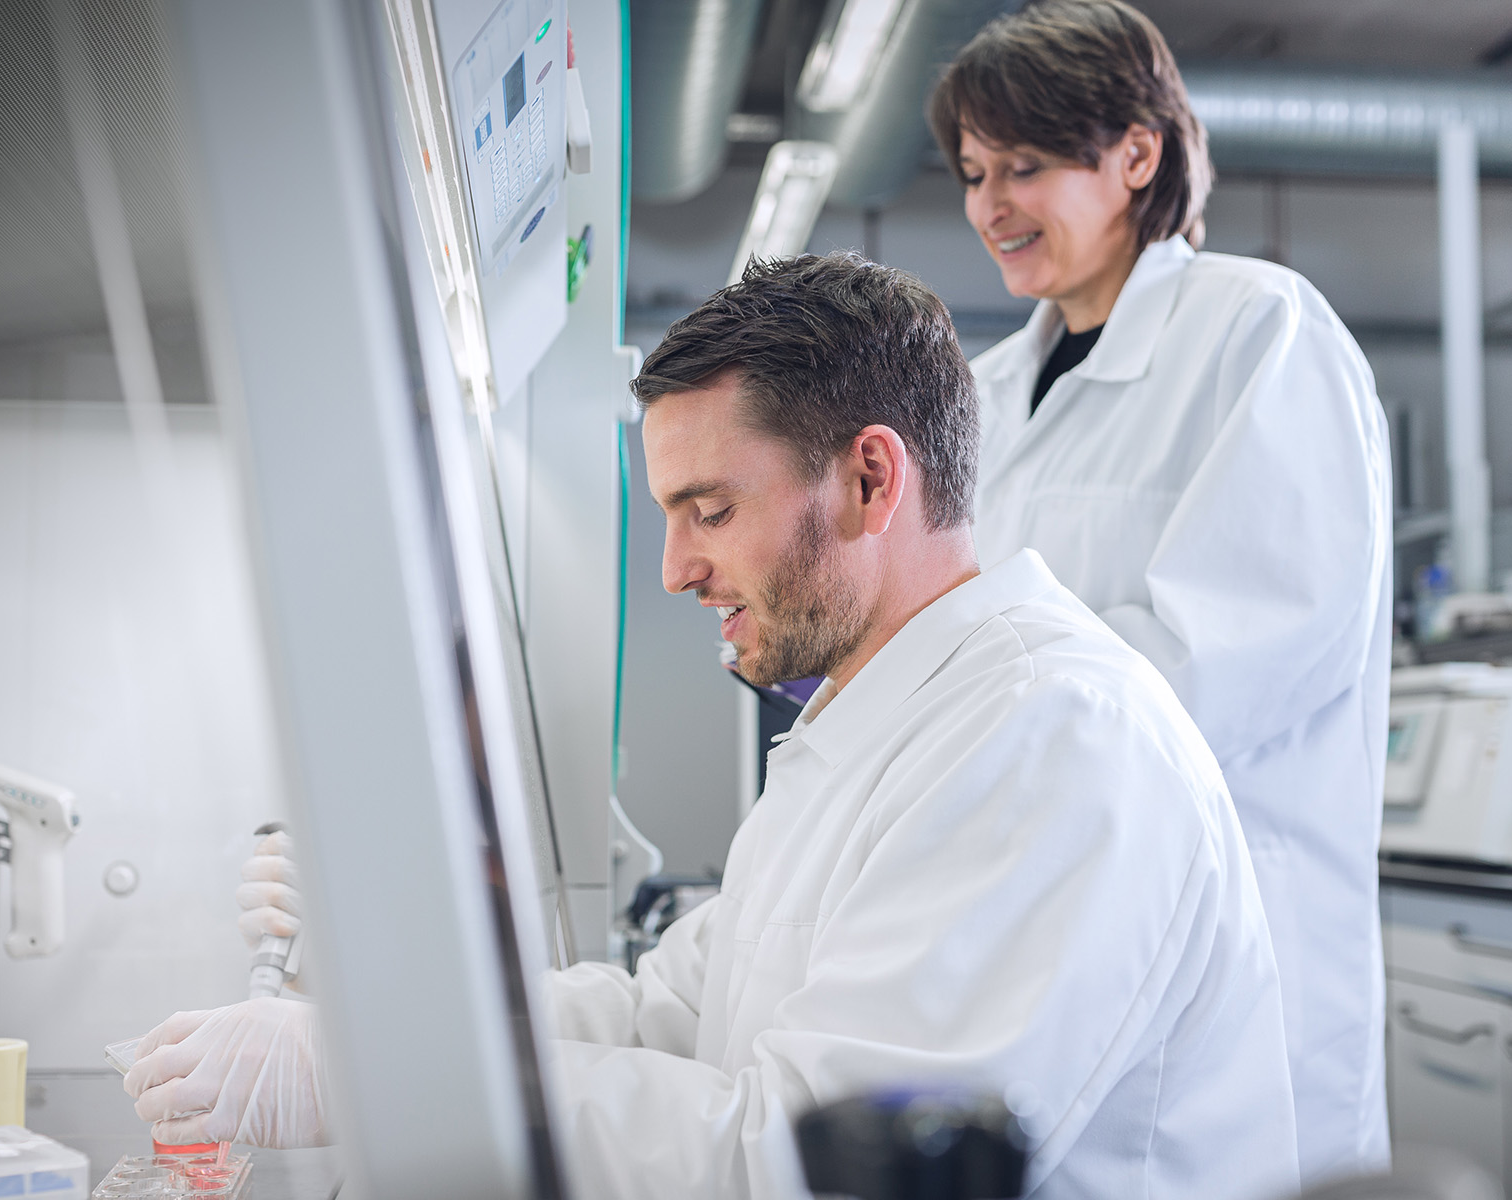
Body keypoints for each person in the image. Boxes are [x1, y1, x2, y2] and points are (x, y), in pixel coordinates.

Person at [126, 254, 1299, 1198]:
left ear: (870, 482)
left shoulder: (1051, 739)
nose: (679, 570)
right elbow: (671, 1017)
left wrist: (385, 1075)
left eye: (712, 510)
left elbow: (803, 1166)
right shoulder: (877, 726)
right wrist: (383, 1007)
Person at [927, 2, 1393, 1183]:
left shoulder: (1259, 333)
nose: (988, 206)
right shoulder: (979, 396)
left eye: (1024, 166)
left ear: (1136, 154)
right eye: (974, 172)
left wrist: (963, 762)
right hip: (1040, 936)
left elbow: (1216, 662)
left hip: (1222, 937)